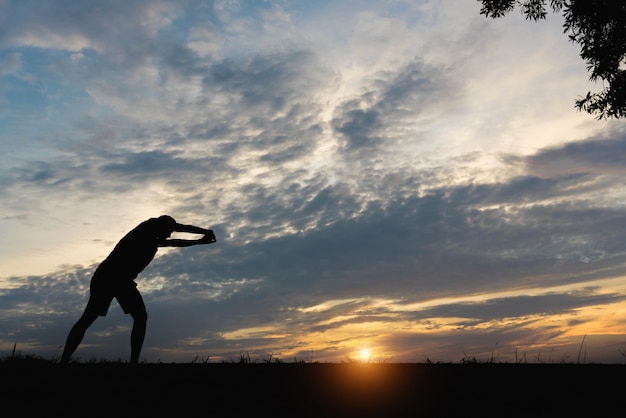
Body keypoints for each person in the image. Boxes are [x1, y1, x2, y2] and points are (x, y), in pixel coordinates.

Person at [60, 215, 216, 364]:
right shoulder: (147, 233)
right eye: (167, 232)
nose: (168, 235)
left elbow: (180, 228)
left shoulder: (155, 231)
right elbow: (174, 242)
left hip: (121, 279)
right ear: (160, 228)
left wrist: (204, 232)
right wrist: (201, 240)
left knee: (140, 317)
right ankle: (65, 360)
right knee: (89, 318)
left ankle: (133, 361)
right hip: (109, 277)